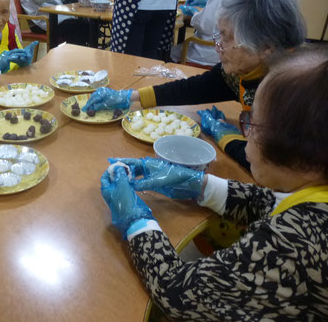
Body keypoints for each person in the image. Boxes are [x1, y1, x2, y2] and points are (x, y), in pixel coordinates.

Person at [100, 47, 328, 320]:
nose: (246, 133)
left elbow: (176, 290)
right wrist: (200, 184)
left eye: (253, 124)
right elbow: (270, 202)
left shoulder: (295, 247)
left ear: (304, 154)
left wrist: (136, 222)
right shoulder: (314, 191)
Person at [84, 0, 306, 170]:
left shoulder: (294, 94)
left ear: (265, 46)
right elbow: (198, 87)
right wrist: (131, 96)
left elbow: (269, 166)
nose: (218, 46)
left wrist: (226, 137)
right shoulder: (248, 69)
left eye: (227, 38)